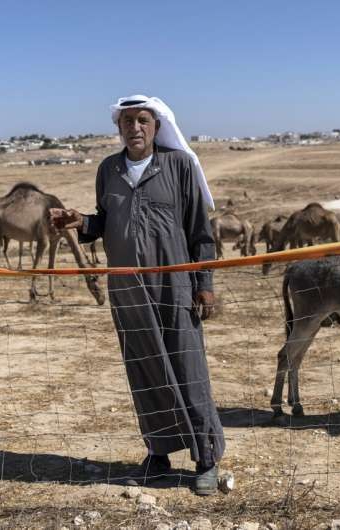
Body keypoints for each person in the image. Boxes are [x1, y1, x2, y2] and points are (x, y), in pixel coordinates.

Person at [49, 95, 224, 495]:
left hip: (174, 286)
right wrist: (81, 222)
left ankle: (206, 458)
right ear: (119, 127)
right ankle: (158, 454)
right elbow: (107, 221)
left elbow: (199, 231)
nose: (135, 128)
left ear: (156, 125)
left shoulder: (179, 165)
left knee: (188, 368)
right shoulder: (108, 169)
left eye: (142, 120)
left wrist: (205, 284)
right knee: (144, 370)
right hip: (127, 289)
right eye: (127, 121)